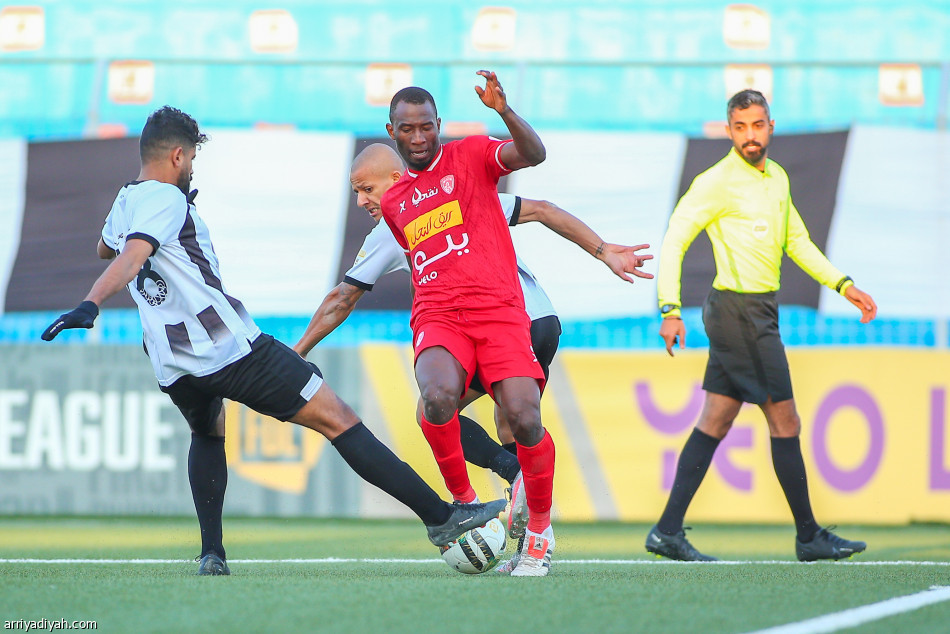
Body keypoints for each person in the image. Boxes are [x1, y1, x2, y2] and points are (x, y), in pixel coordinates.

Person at [40, 106, 506, 576]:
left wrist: (151, 233)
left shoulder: (128, 199)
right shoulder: (165, 200)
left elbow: (108, 247)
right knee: (338, 419)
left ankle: (212, 554)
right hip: (226, 347)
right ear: (178, 156)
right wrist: (91, 303)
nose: (190, 172)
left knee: (206, 432)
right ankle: (443, 518)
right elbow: (133, 253)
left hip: (171, 362)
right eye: (192, 163)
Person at [293, 143, 652, 568]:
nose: (361, 201)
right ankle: (532, 539)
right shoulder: (462, 192)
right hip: (542, 318)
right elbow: (542, 209)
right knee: (514, 422)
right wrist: (602, 249)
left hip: (502, 318)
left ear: (394, 179)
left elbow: (343, 297)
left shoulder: (396, 221)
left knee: (433, 411)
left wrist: (295, 354)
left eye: (366, 189)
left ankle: (508, 490)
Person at [646, 89, 878, 562]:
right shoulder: (717, 181)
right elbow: (674, 240)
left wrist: (843, 284)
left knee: (716, 418)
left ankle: (667, 531)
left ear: (770, 125)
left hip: (757, 311)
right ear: (729, 130)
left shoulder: (776, 179)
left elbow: (798, 240)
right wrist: (670, 309)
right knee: (785, 418)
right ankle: (809, 535)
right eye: (740, 127)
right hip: (739, 315)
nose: (749, 136)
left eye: (757, 125)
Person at [379, 71, 558, 576]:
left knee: (524, 419)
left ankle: (539, 534)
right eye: (407, 129)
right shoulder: (393, 204)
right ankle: (464, 503)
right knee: (435, 399)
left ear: (439, 125)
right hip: (439, 313)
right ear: (391, 131)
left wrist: (504, 111)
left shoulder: (472, 155)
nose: (418, 138)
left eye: (426, 127)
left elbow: (533, 154)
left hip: (500, 312)